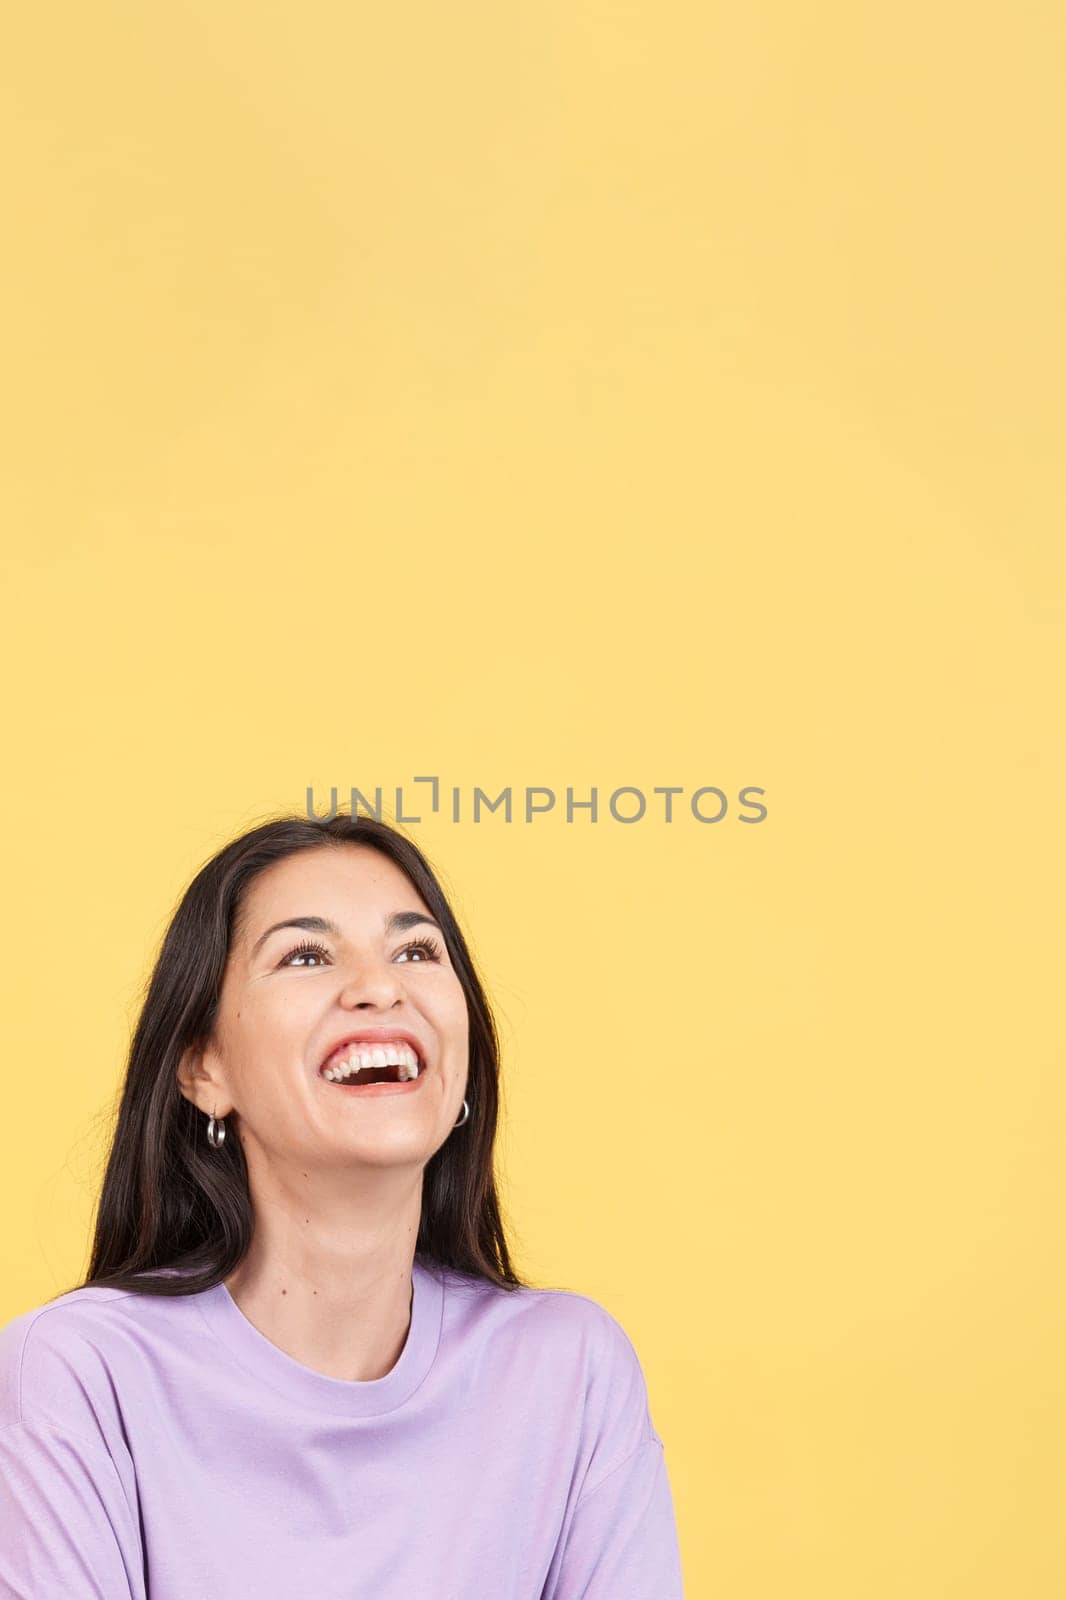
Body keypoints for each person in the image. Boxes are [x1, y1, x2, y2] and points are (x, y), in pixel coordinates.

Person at [0, 812, 684, 1598]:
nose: (381, 986)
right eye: (306, 955)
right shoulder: (81, 1375)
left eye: (417, 950)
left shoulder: (570, 1368)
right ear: (202, 1068)